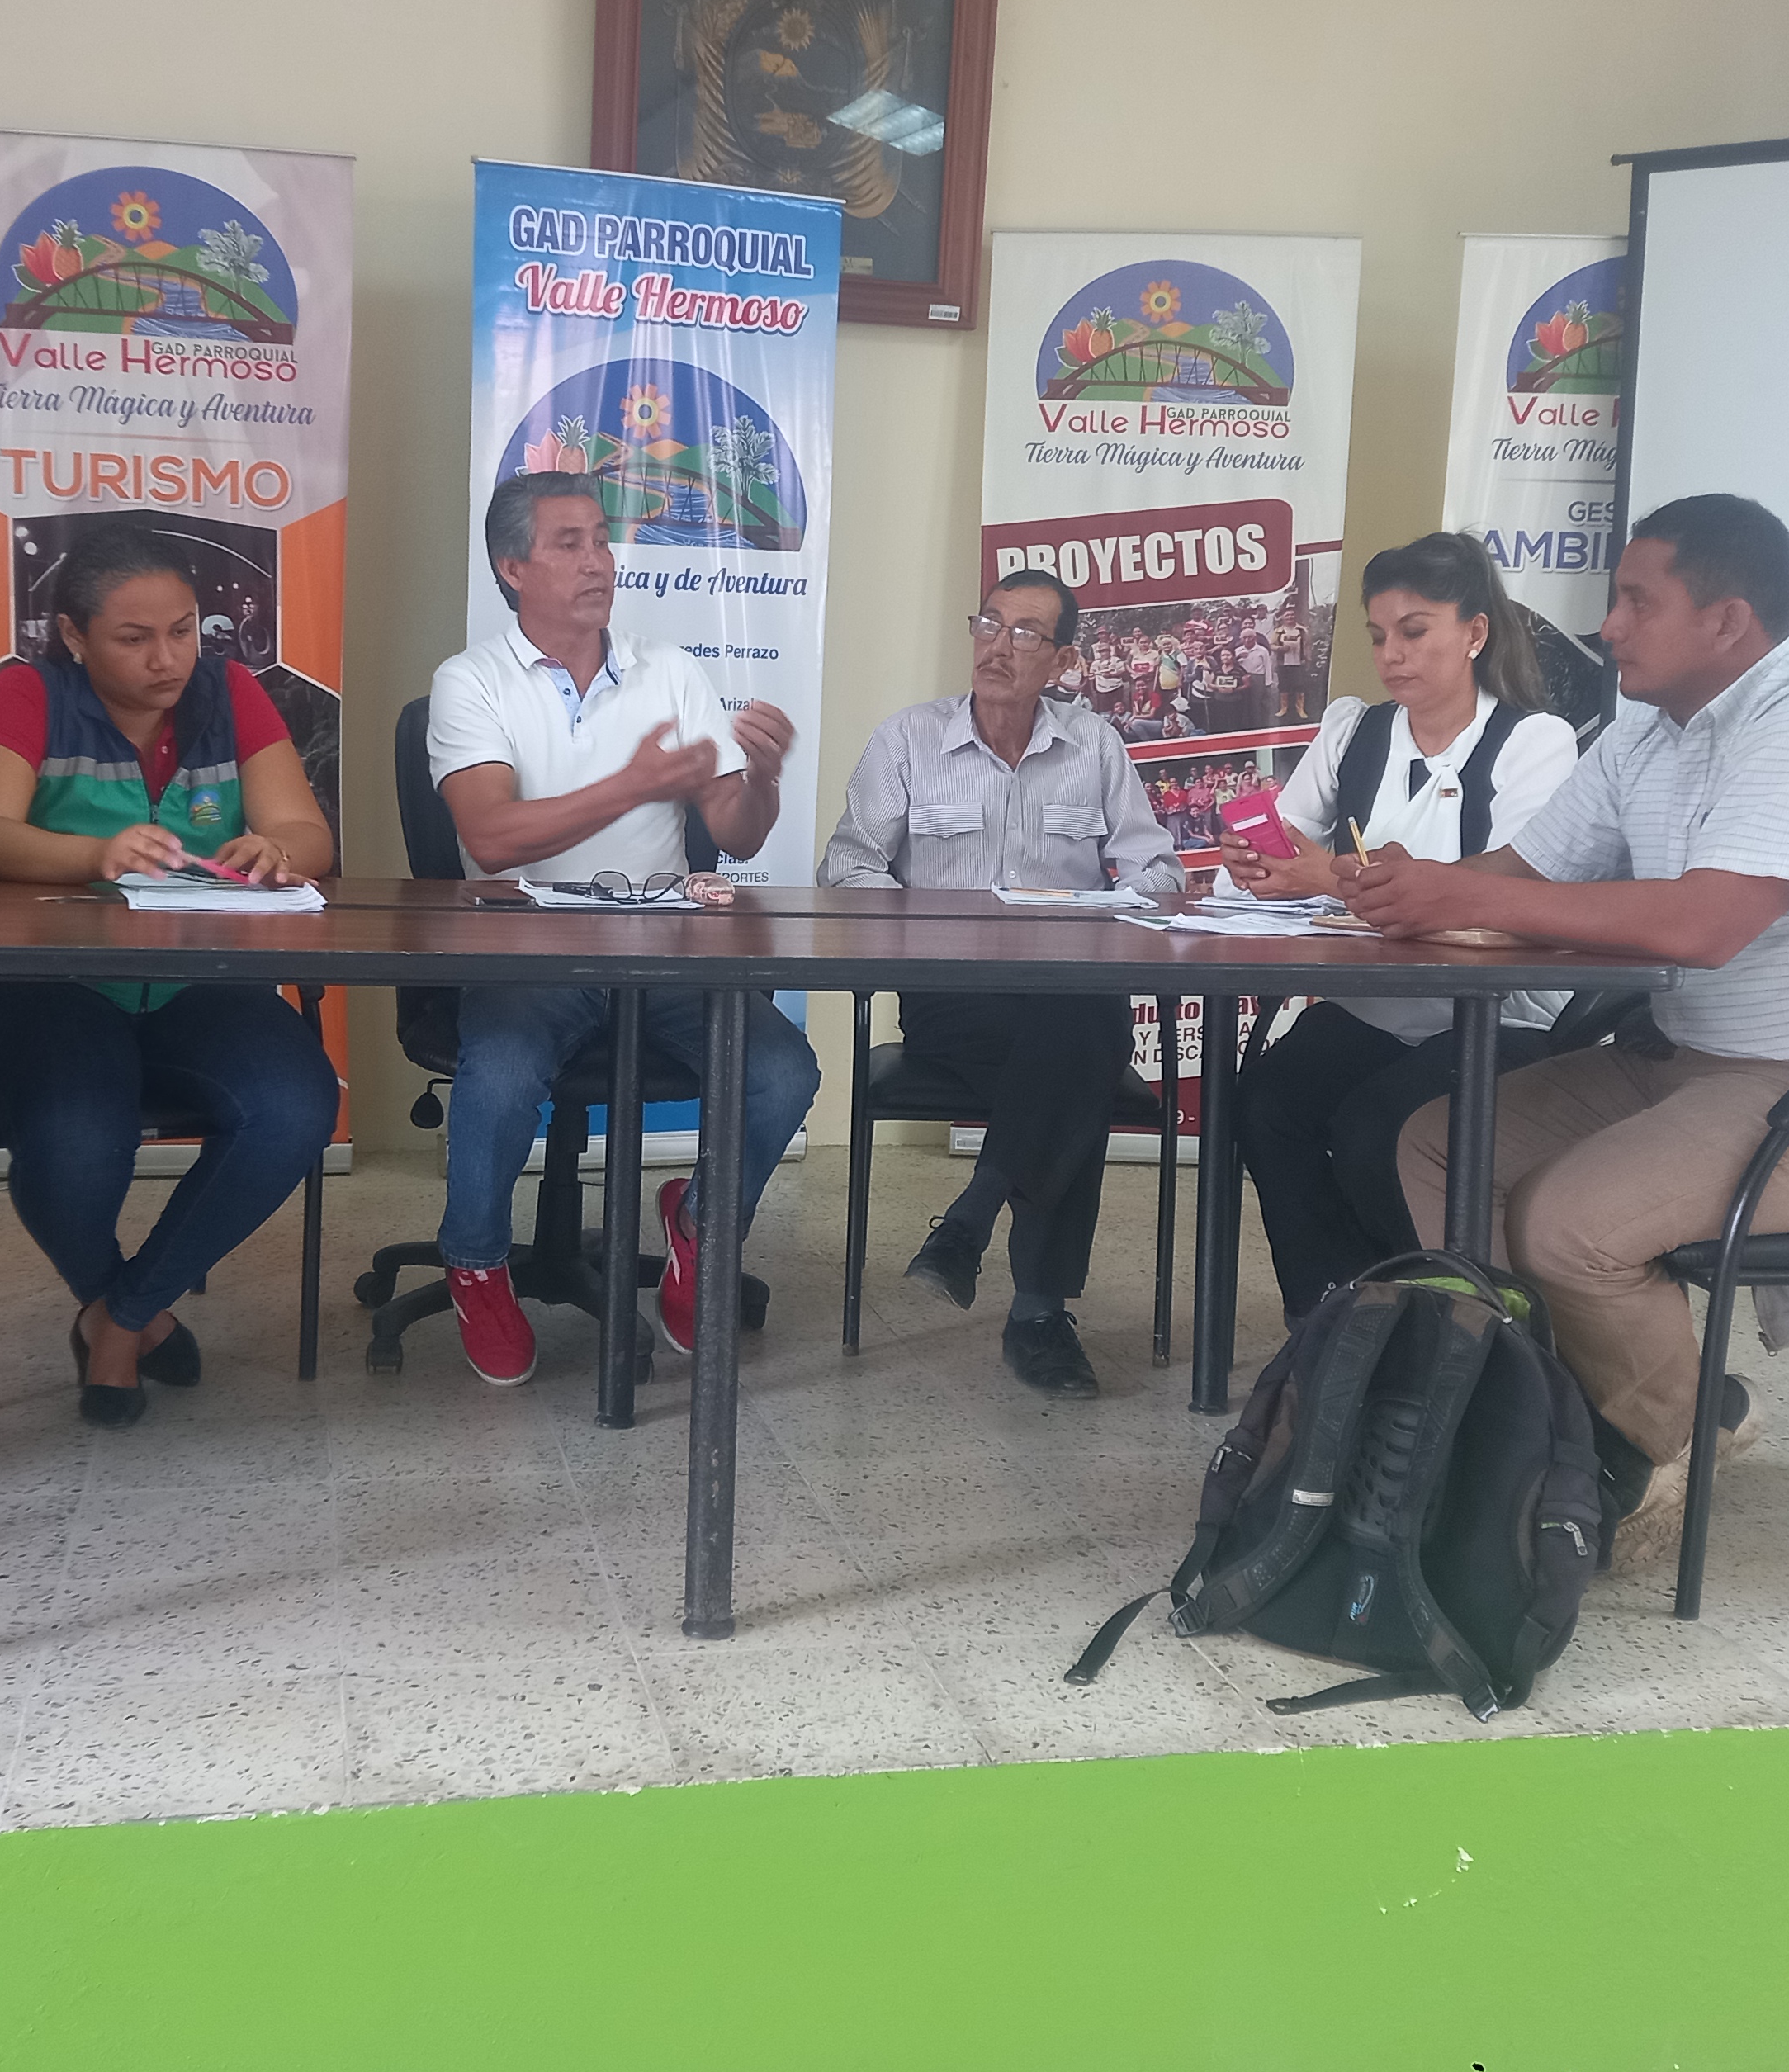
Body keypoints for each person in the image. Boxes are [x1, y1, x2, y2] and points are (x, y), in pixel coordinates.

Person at [1354, 495, 1789, 1568]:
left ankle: (1672, 1443)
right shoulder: (1650, 733)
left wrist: (1465, 898)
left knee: (1568, 1222)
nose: (1606, 627)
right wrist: (1383, 887)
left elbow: (1705, 925)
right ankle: (1542, 1418)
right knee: (1438, 1143)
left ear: (1726, 621)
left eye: (1634, 602)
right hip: (1701, 1064)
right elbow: (1519, 875)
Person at [0, 525, 343, 1426]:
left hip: (203, 980)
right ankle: (129, 1308)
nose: (168, 659)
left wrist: (276, 851)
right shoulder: (29, 692)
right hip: (58, 986)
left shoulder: (232, 692)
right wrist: (93, 854)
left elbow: (308, 836)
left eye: (184, 631)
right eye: (134, 638)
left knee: (295, 1107)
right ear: (73, 636)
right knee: (78, 1141)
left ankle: (121, 1319)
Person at [424, 472, 823, 1385]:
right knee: (501, 1077)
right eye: (568, 544)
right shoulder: (471, 681)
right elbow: (491, 838)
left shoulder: (669, 672)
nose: (598, 562)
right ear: (512, 567)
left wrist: (761, 779)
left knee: (781, 1072)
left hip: (660, 946)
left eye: (601, 540)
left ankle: (699, 1224)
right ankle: (476, 1261)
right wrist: (634, 785)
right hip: (527, 950)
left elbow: (735, 833)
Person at [822, 570, 1183, 1393]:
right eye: (988, 624)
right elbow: (847, 865)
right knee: (1082, 1055)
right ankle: (1038, 1315)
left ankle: (971, 1216)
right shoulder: (908, 740)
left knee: (1075, 1024)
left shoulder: (1093, 745)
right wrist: (926, 924)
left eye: (1024, 634)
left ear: (1063, 660)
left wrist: (1116, 902)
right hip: (952, 994)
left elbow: (1158, 869)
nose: (997, 646)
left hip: (1066, 984)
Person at [1218, 532, 1580, 1316]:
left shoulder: (1533, 743)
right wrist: (1256, 861)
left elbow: (1514, 901)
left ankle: (1444, 1316)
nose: (1392, 655)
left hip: (1495, 1016)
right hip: (1378, 1005)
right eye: (1379, 636)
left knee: (1375, 1129)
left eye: (1414, 632)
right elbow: (1280, 847)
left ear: (1475, 632)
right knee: (1268, 1102)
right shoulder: (1354, 731)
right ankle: (1331, 1313)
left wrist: (1324, 875)